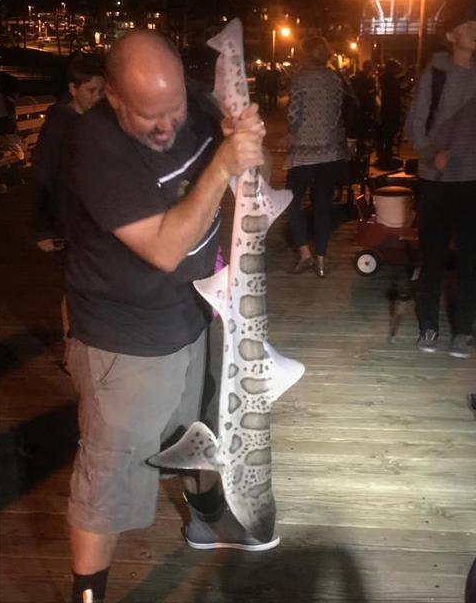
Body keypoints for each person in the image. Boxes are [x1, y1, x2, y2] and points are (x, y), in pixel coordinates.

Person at [59, 30, 268, 603]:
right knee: (110, 477)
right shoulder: (93, 147)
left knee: (196, 432)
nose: (165, 126)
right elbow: (165, 247)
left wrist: (243, 138)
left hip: (191, 313)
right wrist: (223, 164)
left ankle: (207, 519)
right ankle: (89, 596)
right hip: (125, 343)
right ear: (113, 98)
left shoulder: (195, 100)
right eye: (148, 116)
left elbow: (253, 160)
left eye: (172, 108)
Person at [405, 0, 476, 358]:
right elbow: (414, 125)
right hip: (436, 180)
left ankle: (464, 330)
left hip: (472, 181)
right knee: (431, 257)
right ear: (450, 35)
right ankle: (429, 326)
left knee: (470, 260)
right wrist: (433, 154)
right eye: (467, 25)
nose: (474, 31)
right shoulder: (435, 73)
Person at [33, 55, 105, 369]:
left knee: (88, 283)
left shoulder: (96, 121)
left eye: (101, 90)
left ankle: (84, 345)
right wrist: (45, 229)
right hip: (66, 220)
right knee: (74, 287)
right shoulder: (59, 125)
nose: (98, 97)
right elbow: (44, 177)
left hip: (91, 219)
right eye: (91, 90)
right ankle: (71, 350)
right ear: (73, 89)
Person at [284, 36, 349, 277]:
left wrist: (291, 132)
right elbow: (337, 113)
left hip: (303, 153)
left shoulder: (300, 80)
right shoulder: (334, 79)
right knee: (323, 207)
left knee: (291, 201)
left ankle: (304, 253)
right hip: (330, 153)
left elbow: (294, 115)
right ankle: (321, 259)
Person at [350, 60, 377, 157]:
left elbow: (372, 95)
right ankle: (358, 156)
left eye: (371, 67)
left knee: (364, 135)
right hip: (358, 111)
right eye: (368, 67)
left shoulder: (370, 80)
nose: (370, 70)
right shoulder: (357, 79)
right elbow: (356, 94)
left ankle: (362, 155)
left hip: (366, 111)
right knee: (359, 135)